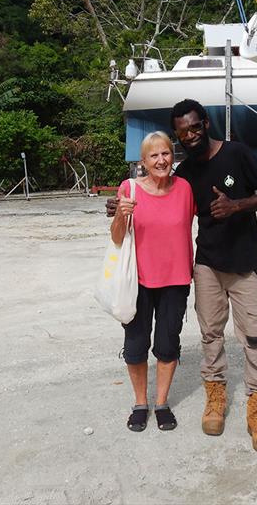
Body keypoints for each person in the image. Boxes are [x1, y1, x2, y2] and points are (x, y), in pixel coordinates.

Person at [107, 99, 257, 454]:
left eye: (195, 127)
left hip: (245, 262)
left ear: (205, 122)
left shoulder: (237, 153)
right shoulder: (184, 176)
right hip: (206, 266)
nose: (190, 135)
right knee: (210, 336)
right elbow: (152, 187)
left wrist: (238, 205)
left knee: (254, 336)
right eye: (183, 132)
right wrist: (117, 206)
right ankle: (215, 400)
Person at [110, 131, 195, 433]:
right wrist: (121, 215)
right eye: (153, 155)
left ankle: (161, 402)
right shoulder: (129, 189)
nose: (161, 160)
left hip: (176, 280)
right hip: (139, 282)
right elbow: (117, 238)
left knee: (167, 345)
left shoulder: (185, 189)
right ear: (143, 161)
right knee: (136, 346)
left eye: (166, 154)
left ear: (173, 157)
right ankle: (139, 403)